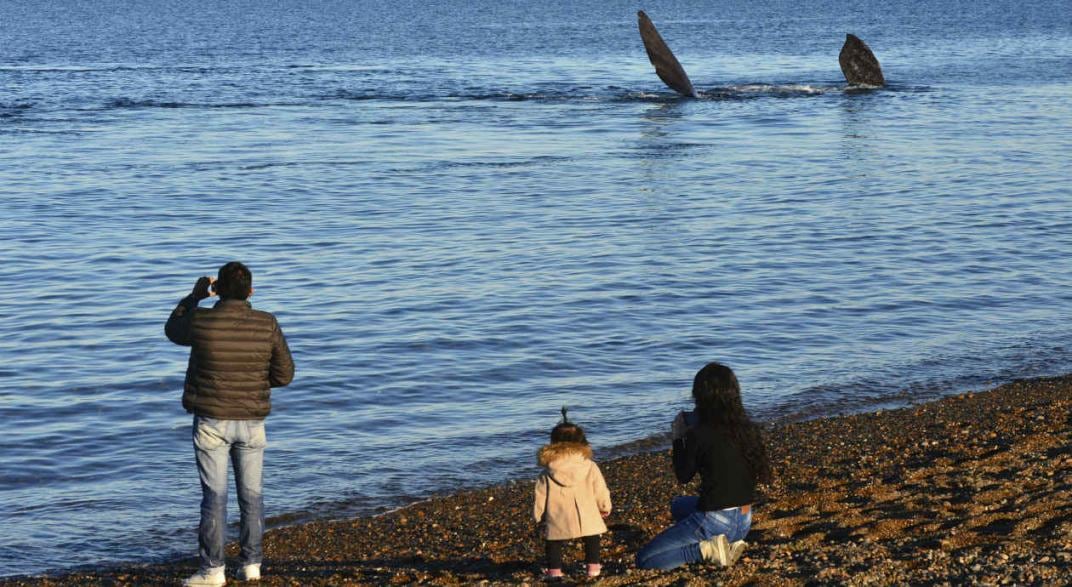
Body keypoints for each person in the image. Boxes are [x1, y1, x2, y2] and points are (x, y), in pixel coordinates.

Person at [165, 262, 295, 587]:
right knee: (252, 495)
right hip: (252, 421)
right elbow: (285, 375)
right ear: (251, 291)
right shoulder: (267, 324)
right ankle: (251, 564)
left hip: (211, 420)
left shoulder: (201, 320)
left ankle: (212, 571)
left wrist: (194, 297)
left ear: (217, 290)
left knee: (215, 497)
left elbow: (172, 329)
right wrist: (252, 382)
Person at [635, 362, 771, 571]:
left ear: (700, 395)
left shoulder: (700, 434)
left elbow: (683, 475)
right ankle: (726, 543)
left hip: (716, 519)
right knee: (678, 506)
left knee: (645, 560)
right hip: (744, 519)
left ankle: (706, 550)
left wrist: (679, 437)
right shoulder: (747, 428)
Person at [534, 408, 612, 581]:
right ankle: (593, 568)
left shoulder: (547, 471)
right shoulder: (589, 465)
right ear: (582, 441)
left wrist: (539, 517)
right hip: (587, 513)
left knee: (553, 542)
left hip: (557, 515)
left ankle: (555, 571)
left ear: (553, 443)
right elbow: (600, 489)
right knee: (592, 537)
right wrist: (604, 507)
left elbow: (540, 496)